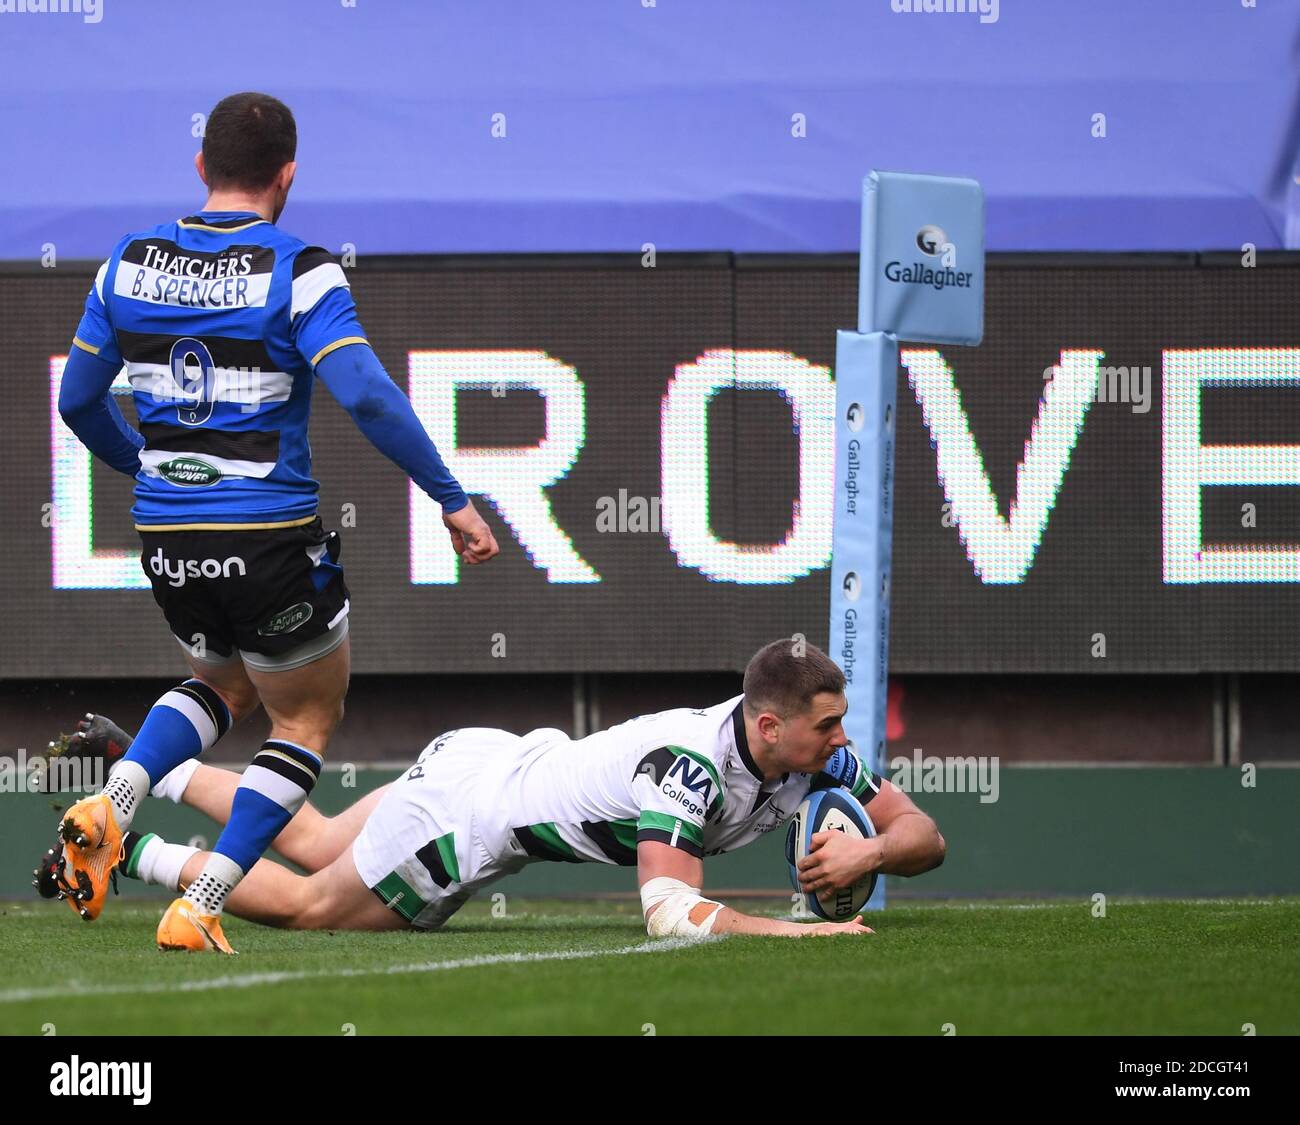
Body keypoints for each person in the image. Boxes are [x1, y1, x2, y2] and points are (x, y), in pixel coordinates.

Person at [53, 91, 498, 950]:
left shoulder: (126, 264)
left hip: (166, 535)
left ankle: (112, 806)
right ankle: (204, 898)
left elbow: (77, 399)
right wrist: (449, 495)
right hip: (266, 535)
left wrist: (145, 465)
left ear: (199, 167)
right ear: (287, 175)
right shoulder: (302, 270)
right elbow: (365, 393)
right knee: (303, 718)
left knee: (223, 686)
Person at [38, 642, 944, 950]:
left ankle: (134, 761)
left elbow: (925, 833)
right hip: (467, 821)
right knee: (312, 903)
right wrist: (804, 931)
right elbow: (670, 912)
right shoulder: (691, 768)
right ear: (769, 726)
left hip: (485, 757)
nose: (844, 741)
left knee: (310, 837)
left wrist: (867, 850)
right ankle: (135, 850)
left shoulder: (813, 760)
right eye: (827, 725)